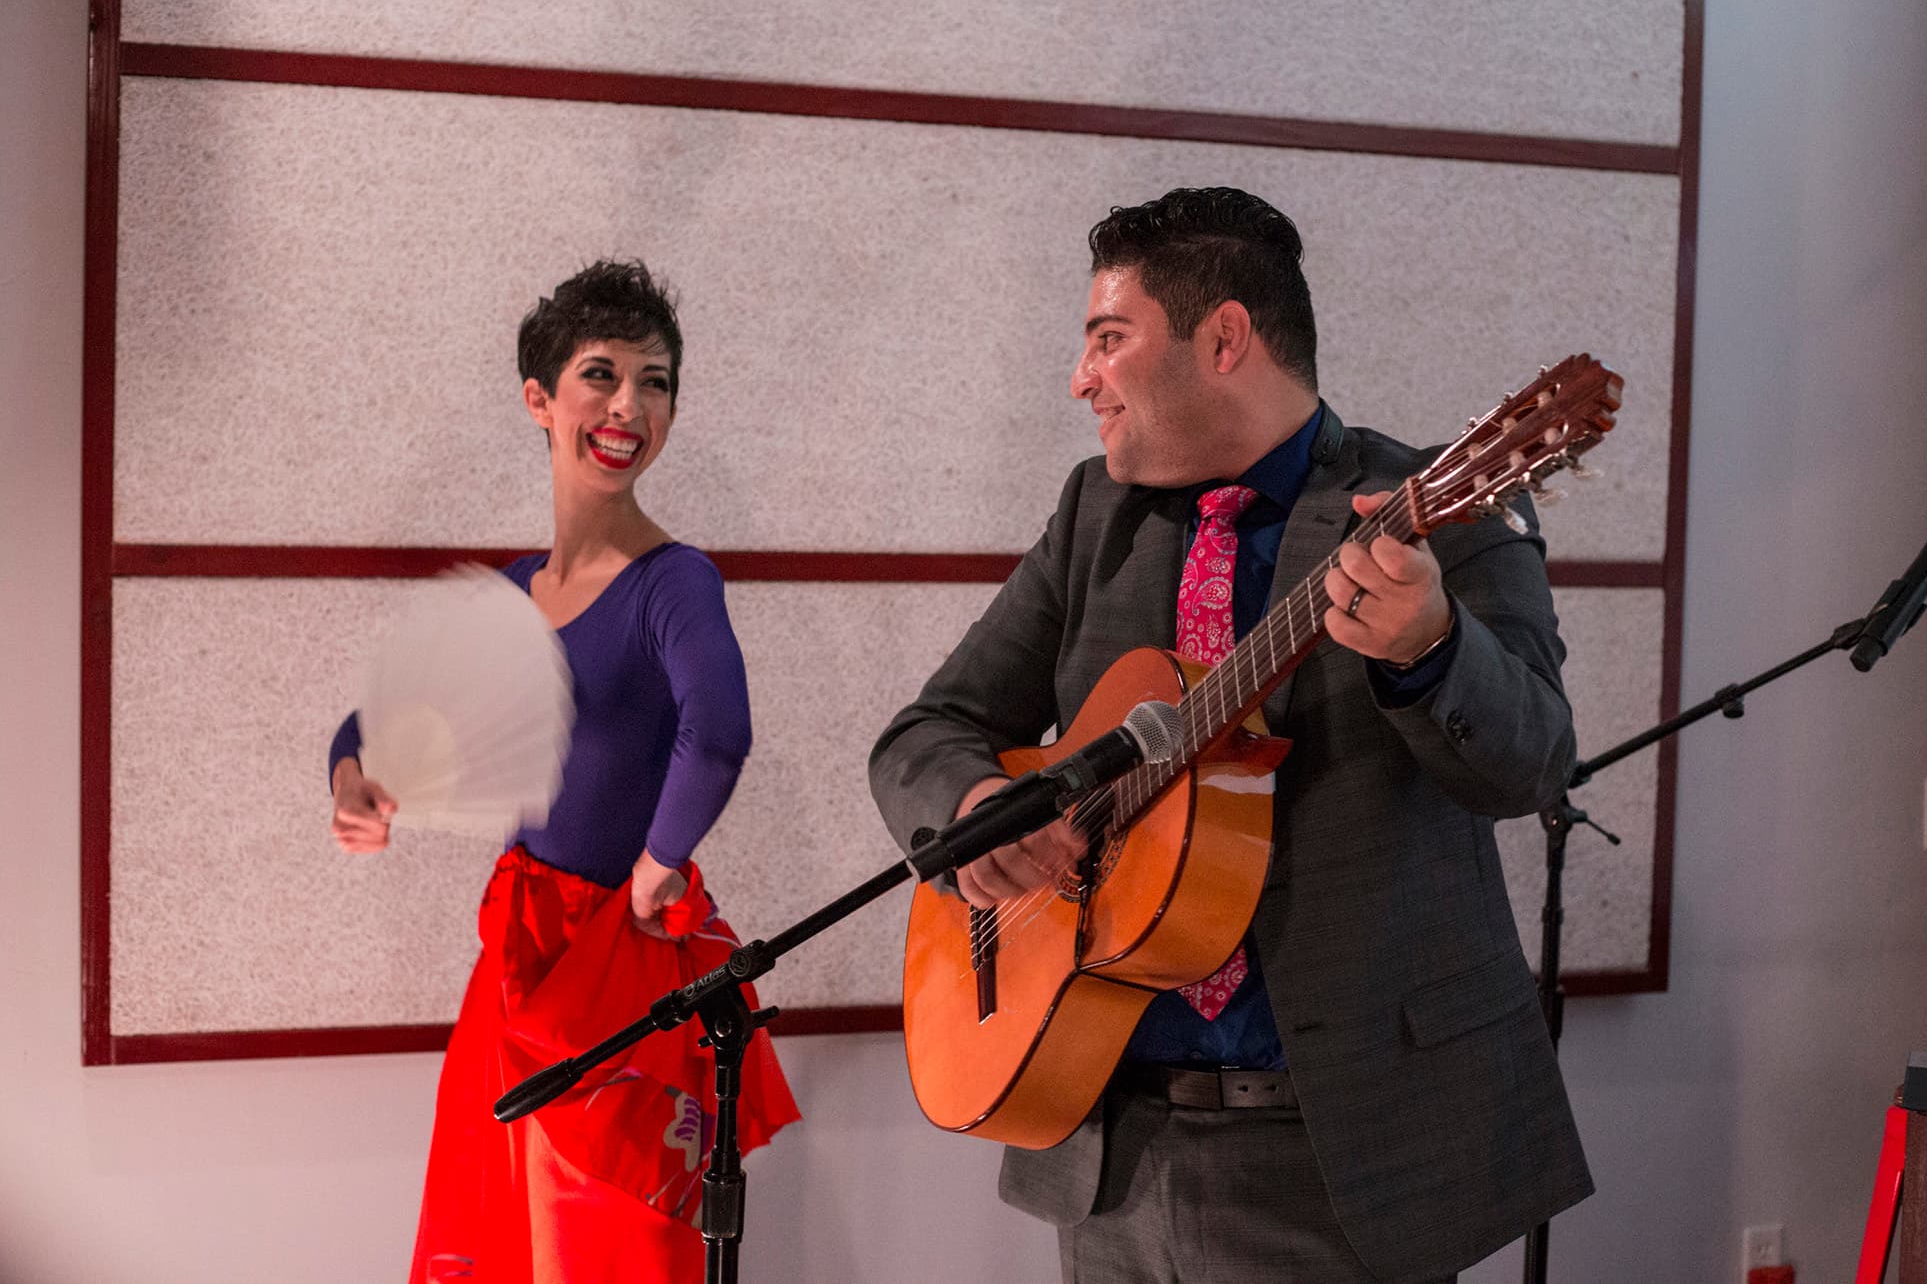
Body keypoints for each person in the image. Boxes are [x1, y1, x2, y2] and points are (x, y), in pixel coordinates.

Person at [869, 188, 1590, 1283]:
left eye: (1107, 340)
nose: (1080, 380)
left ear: (1222, 339)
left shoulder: (1431, 508)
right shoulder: (1092, 516)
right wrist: (978, 817)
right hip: (1107, 1134)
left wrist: (1432, 646)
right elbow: (930, 729)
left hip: (1337, 1157)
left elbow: (1533, 759)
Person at [328, 260, 799, 1283]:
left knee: (608, 1248)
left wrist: (661, 861)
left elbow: (717, 735)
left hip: (614, 964)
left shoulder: (674, 579)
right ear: (539, 399)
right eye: (602, 374)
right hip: (514, 960)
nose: (630, 404)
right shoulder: (511, 590)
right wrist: (354, 783)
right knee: (501, 1236)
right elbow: (368, 724)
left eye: (656, 380)